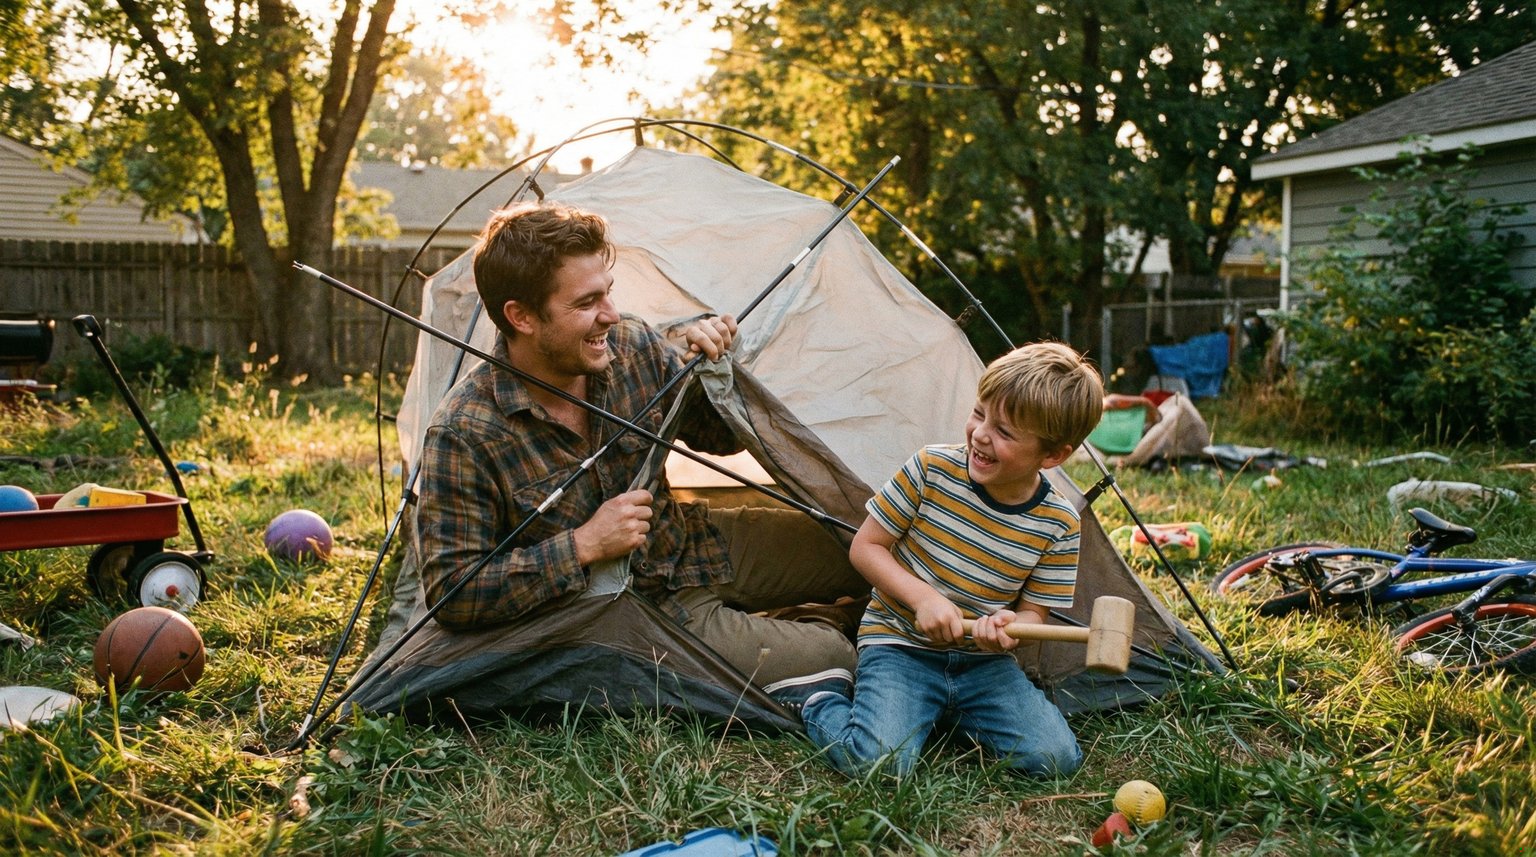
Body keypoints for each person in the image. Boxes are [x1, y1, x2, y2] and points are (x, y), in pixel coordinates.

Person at [410, 201, 857, 699]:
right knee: (835, 655)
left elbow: (721, 442)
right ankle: (804, 624)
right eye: (585, 304)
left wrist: (713, 368)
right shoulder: (464, 432)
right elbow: (454, 594)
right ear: (521, 317)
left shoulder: (633, 344)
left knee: (859, 549)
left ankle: (790, 617)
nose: (611, 315)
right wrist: (583, 546)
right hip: (643, 613)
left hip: (691, 543)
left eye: (609, 293)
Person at [798, 341, 1105, 778]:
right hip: (899, 645)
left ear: (1053, 455)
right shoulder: (931, 469)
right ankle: (824, 699)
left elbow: (1034, 613)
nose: (981, 434)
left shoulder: (1058, 523)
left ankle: (935, 712)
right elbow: (865, 548)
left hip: (983, 665)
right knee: (879, 765)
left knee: (1055, 759)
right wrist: (923, 599)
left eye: (1005, 432)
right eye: (980, 413)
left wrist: (1009, 630)